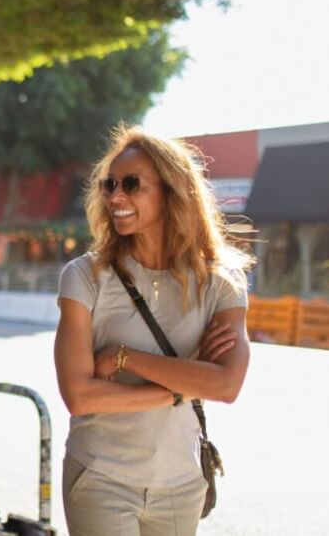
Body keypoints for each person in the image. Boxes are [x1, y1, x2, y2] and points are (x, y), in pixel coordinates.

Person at [54, 125, 253, 535]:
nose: (114, 196)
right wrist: (184, 385)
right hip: (100, 476)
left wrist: (125, 359)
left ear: (171, 191)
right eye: (109, 185)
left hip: (182, 484)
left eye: (131, 184)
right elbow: (79, 394)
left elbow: (228, 385)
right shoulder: (85, 277)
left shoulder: (221, 283)